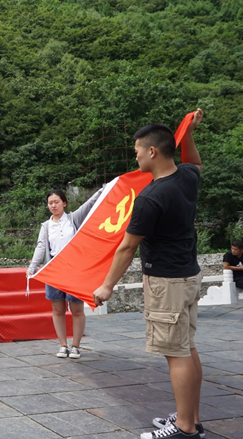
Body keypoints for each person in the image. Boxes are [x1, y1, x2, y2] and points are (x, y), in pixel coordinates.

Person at [93, 111, 204, 439]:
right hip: (189, 275)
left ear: (152, 151)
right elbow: (195, 163)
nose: (136, 156)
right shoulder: (187, 177)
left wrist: (107, 286)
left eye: (137, 150)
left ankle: (184, 428)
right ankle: (190, 417)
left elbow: (127, 248)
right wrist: (189, 133)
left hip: (166, 283)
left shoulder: (151, 197)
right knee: (187, 347)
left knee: (176, 353)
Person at [27, 187, 104, 359]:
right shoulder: (46, 226)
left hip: (74, 270)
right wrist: (32, 267)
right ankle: (63, 345)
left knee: (76, 309)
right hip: (54, 270)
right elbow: (41, 246)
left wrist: (103, 190)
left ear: (64, 203)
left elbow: (89, 204)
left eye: (56, 202)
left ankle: (75, 346)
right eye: (50, 203)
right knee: (58, 309)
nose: (53, 205)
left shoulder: (73, 219)